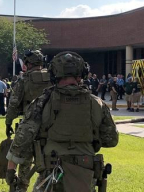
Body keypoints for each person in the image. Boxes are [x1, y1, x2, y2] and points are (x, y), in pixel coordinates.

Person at [6, 51, 119, 192]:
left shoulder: (43, 102)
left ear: (54, 74)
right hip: (85, 173)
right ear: (82, 74)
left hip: (52, 173)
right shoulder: (97, 103)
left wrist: (11, 170)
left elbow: (22, 139)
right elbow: (111, 140)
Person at [5, 50, 51, 192]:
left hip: (29, 125)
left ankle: (21, 187)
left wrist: (8, 122)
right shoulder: (52, 78)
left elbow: (14, 104)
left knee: (24, 160)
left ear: (28, 63)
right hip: (51, 127)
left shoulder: (24, 80)